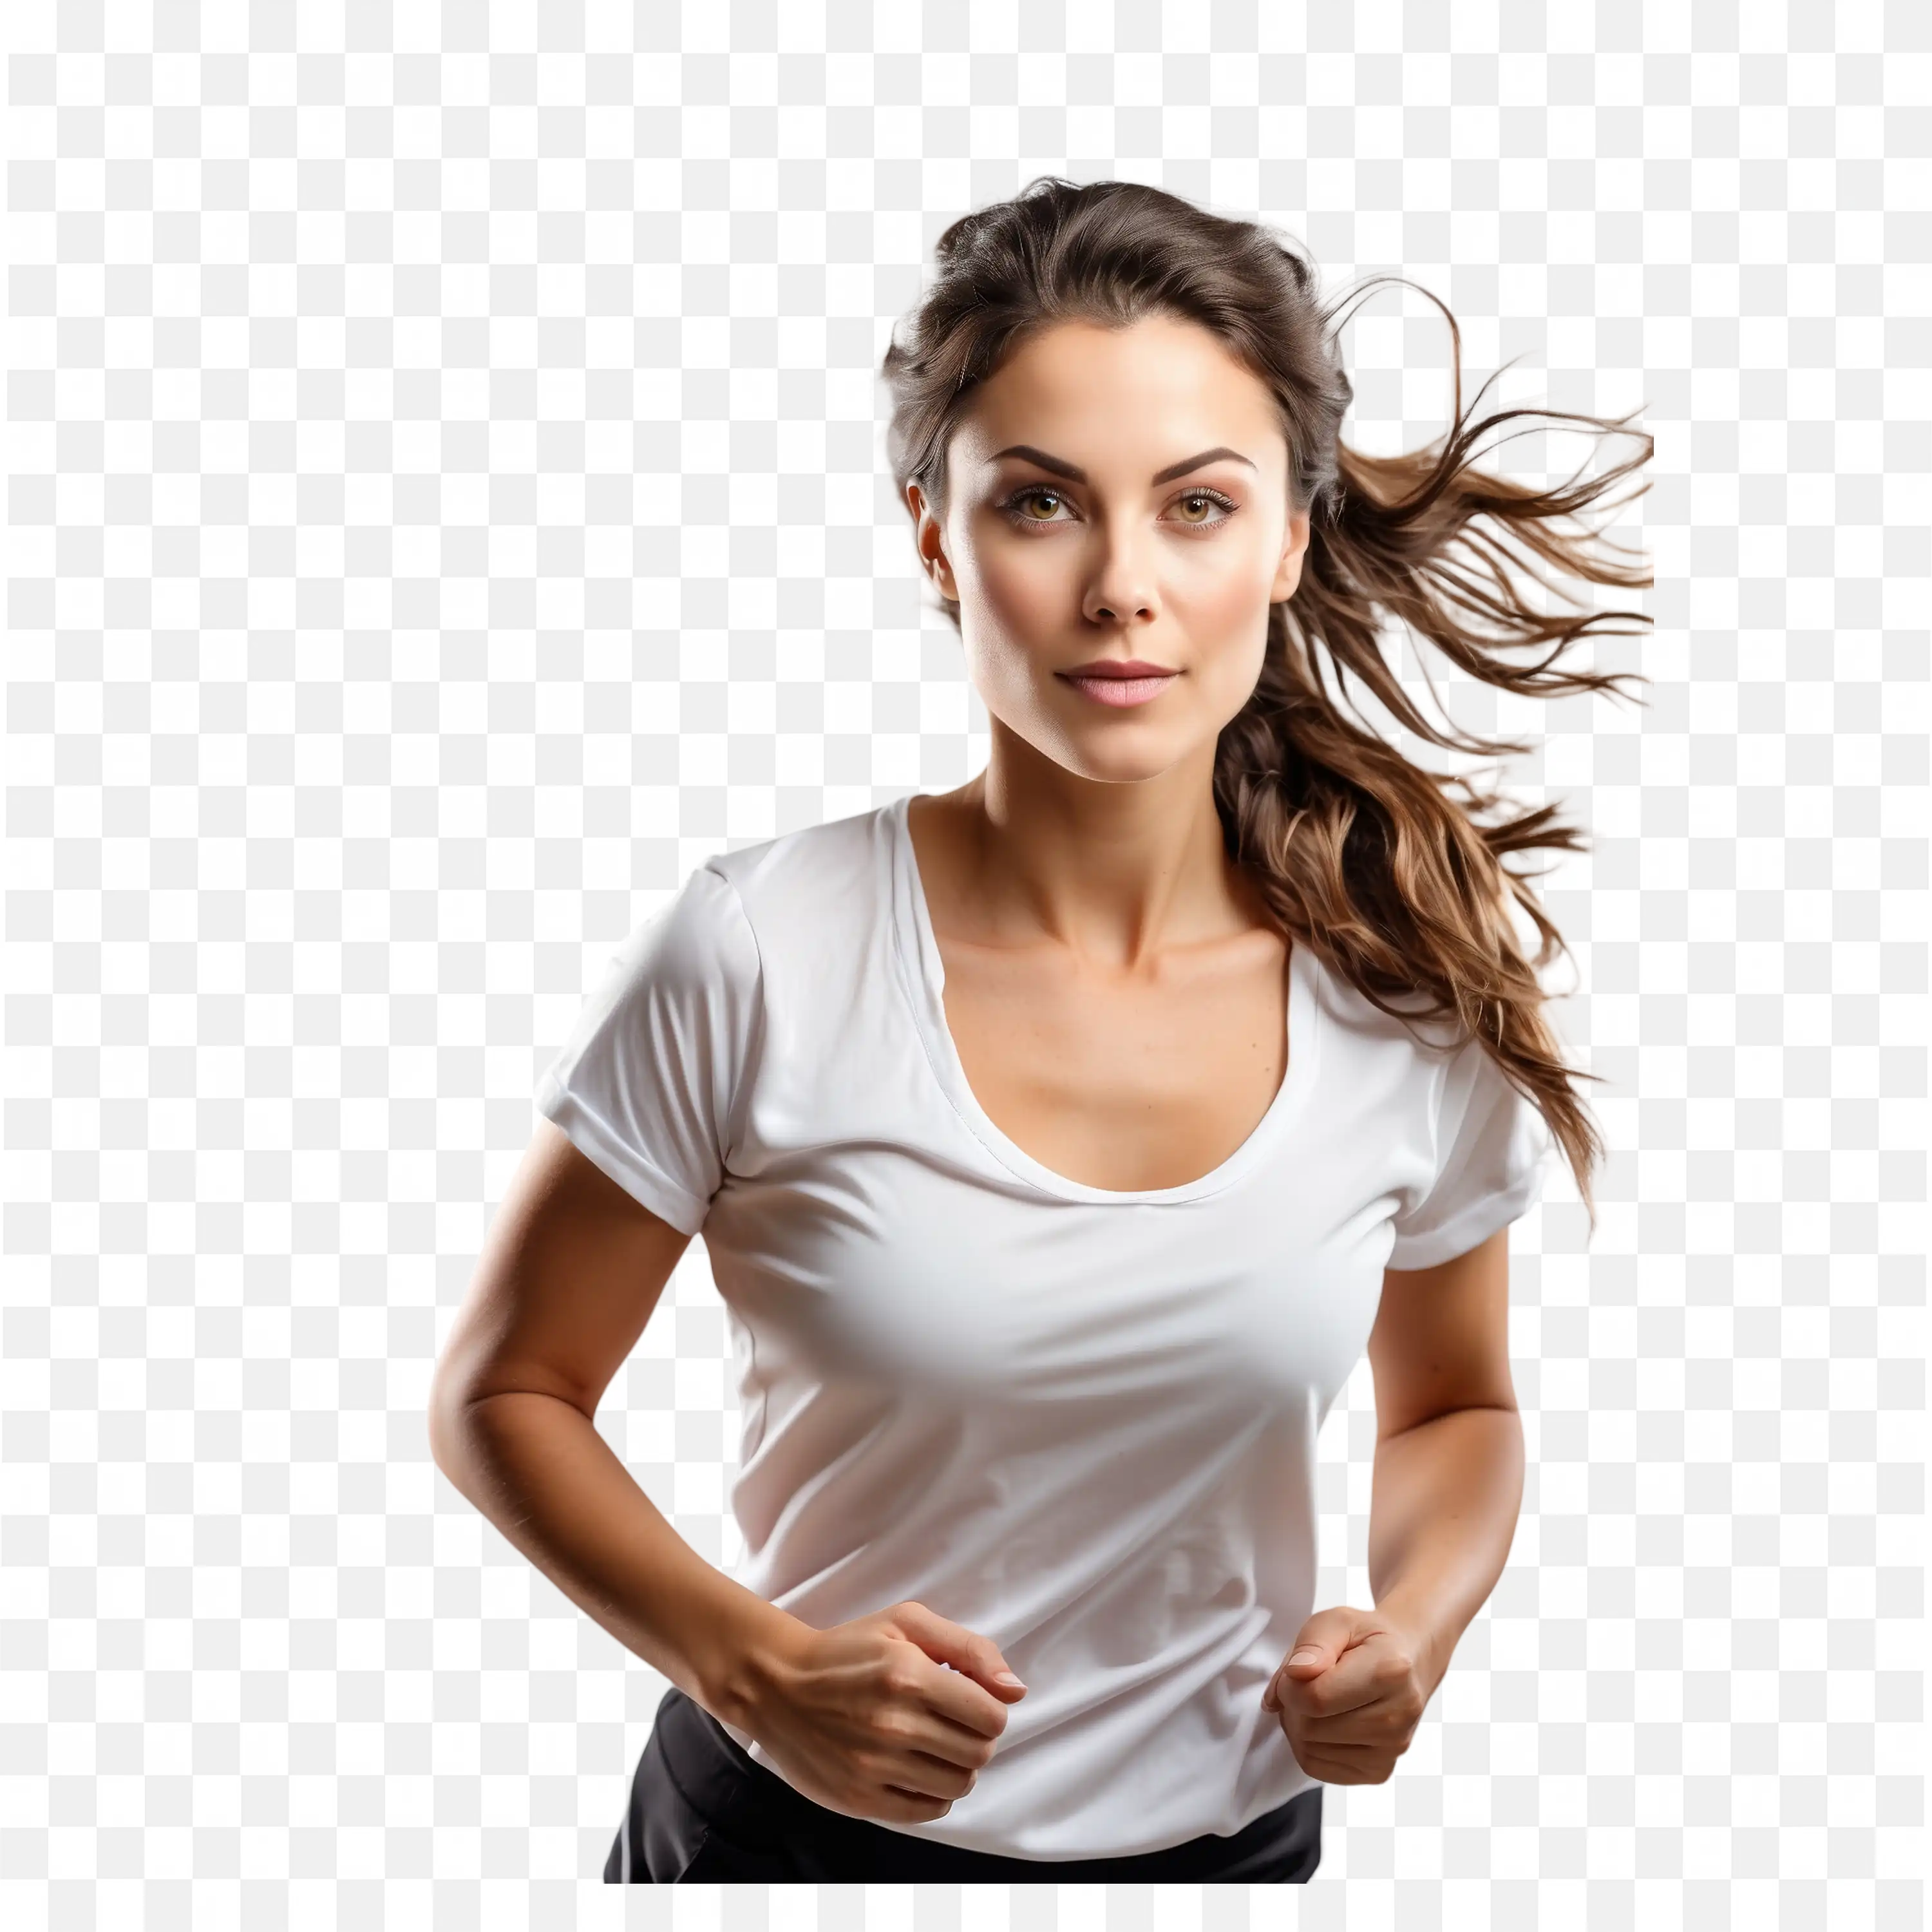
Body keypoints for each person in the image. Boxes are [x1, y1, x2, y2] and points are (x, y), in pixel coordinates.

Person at [426, 175, 1652, 1883]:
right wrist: (758, 1672)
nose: (1121, 586)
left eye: (1198, 505)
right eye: (1043, 503)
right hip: (784, 1846)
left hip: (1229, 1857)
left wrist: (1415, 1627)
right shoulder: (764, 951)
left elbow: (1455, 1408)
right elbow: (507, 1390)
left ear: (1290, 540)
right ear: (936, 535)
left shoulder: (1404, 987)